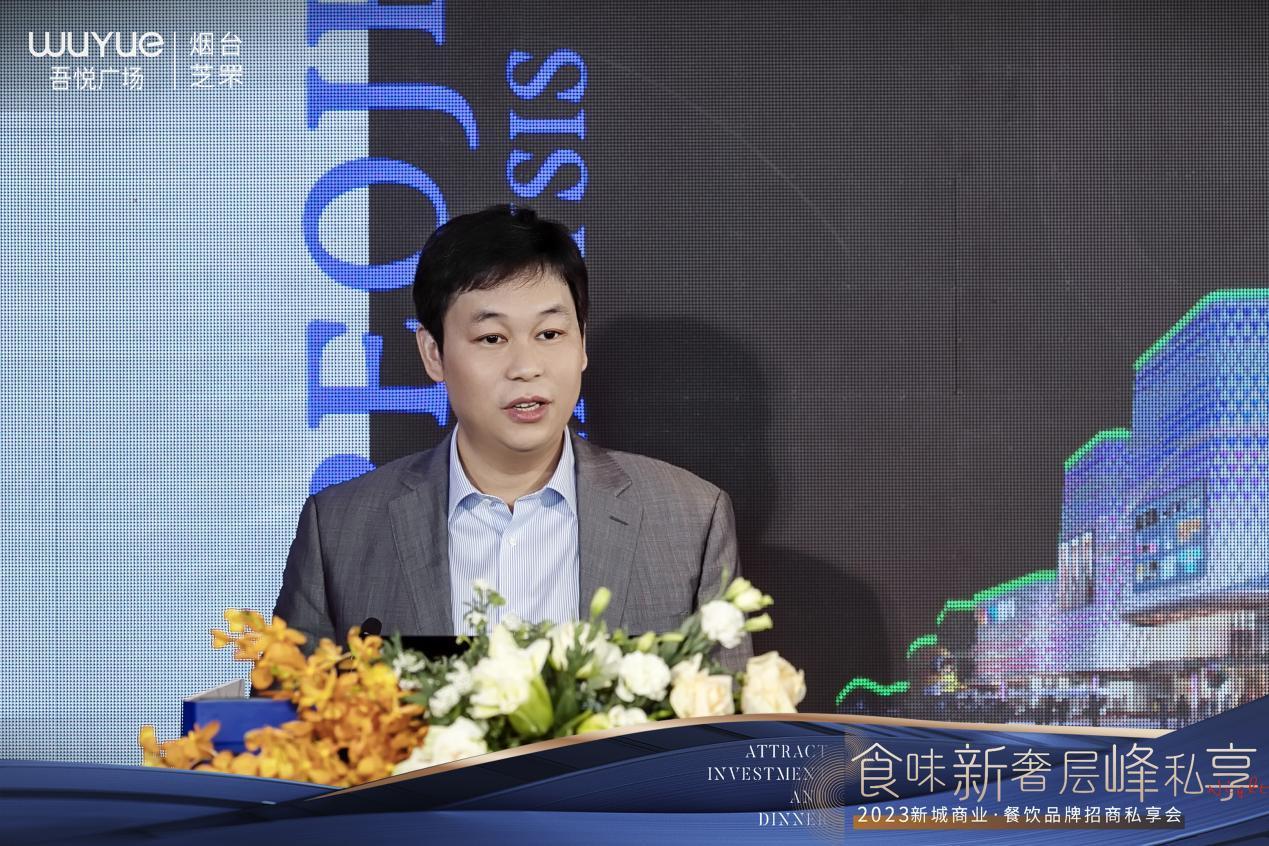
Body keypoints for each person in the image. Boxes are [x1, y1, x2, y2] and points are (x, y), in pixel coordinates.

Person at [274, 204, 752, 668]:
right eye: (492, 339)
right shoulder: (339, 530)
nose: (526, 367)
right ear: (433, 353)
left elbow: (730, 717)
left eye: (549, 334)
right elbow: (281, 718)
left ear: (582, 343)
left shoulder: (689, 519)